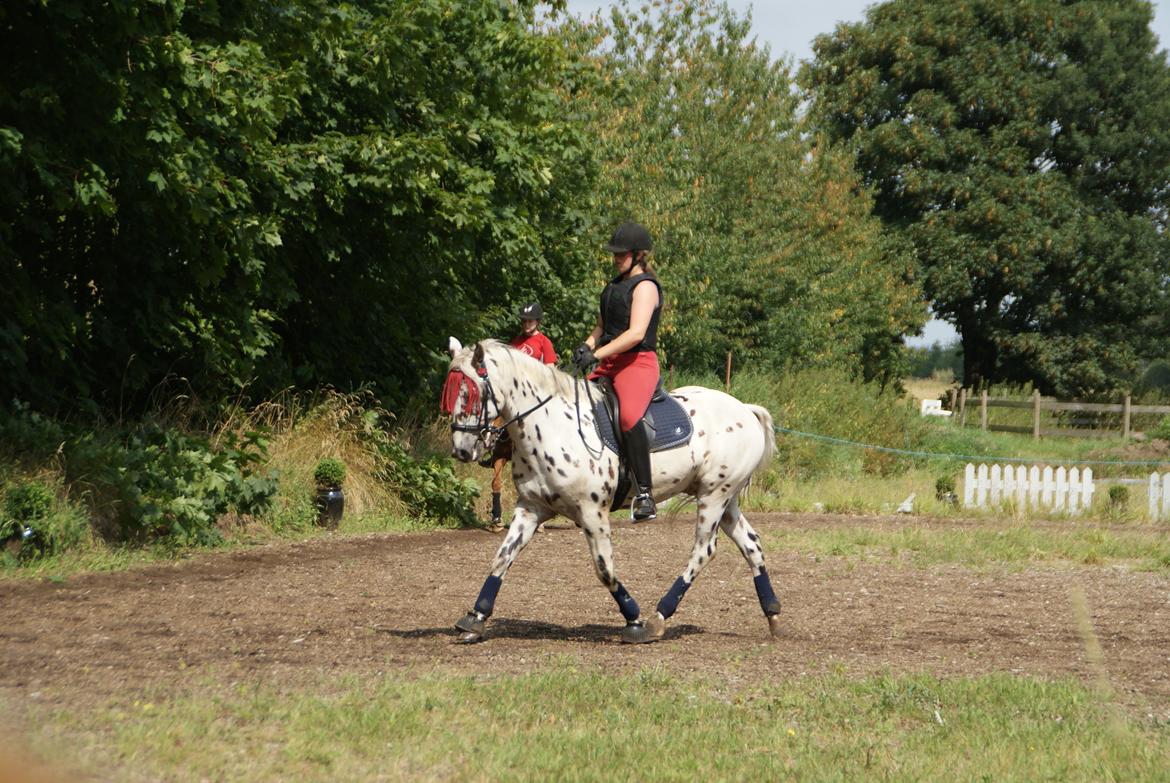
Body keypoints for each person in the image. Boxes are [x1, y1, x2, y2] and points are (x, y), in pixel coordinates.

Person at [571, 222, 662, 521]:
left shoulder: (646, 287)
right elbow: (601, 327)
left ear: (638, 255)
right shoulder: (612, 286)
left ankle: (645, 494)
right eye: (615, 254)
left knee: (627, 416)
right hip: (611, 361)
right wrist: (586, 346)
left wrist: (596, 354)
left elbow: (636, 334)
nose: (616, 259)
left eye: (621, 254)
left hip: (637, 363)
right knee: (575, 405)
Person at [485, 301, 558, 528]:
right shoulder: (514, 343)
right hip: (514, 398)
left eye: (530, 320)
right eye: (524, 320)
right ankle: (492, 444)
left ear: (537, 321)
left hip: (534, 397)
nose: (526, 324)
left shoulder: (544, 342)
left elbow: (551, 370)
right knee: (492, 415)